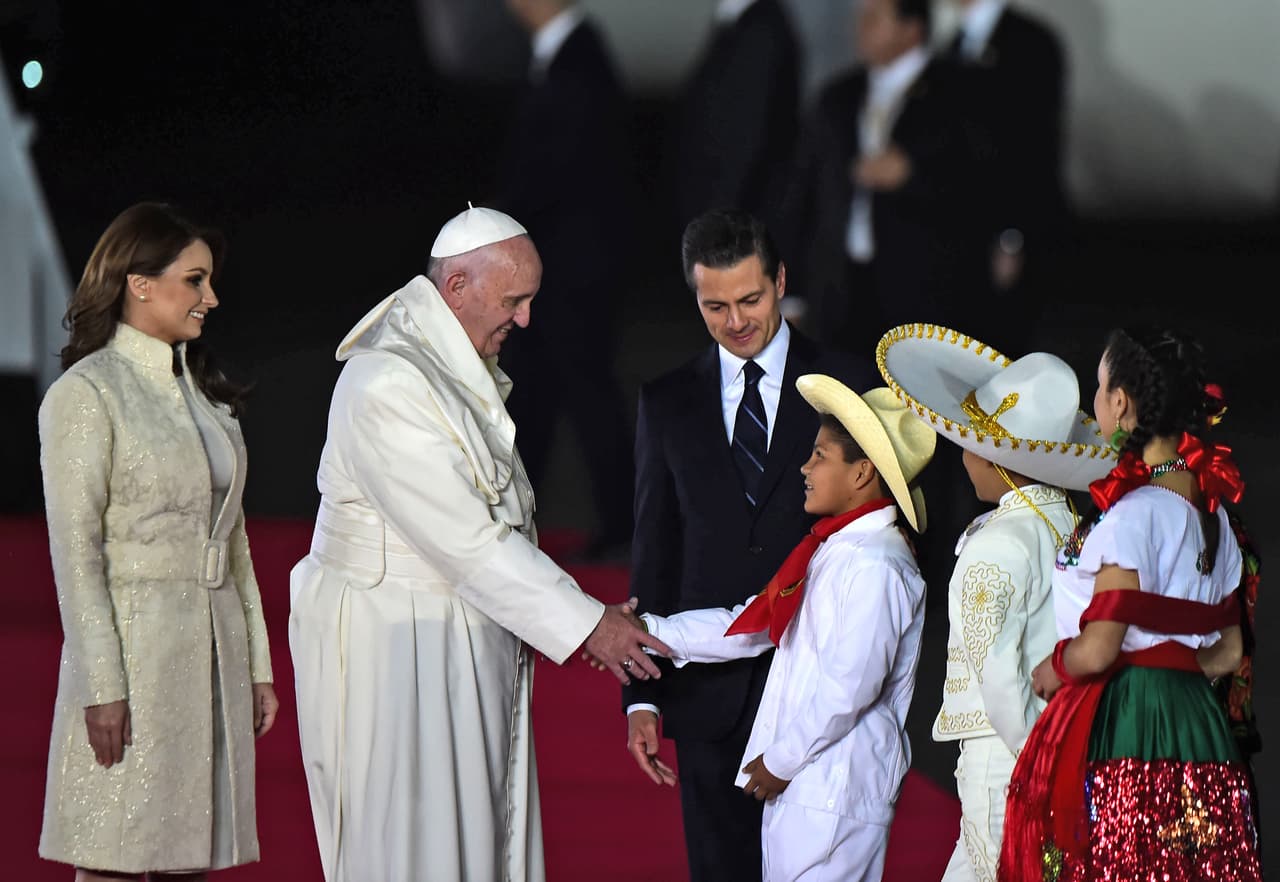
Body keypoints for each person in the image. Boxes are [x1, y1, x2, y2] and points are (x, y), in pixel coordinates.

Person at [287, 204, 671, 882]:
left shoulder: (447, 365)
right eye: (513, 300)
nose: (525, 319)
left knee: (469, 840)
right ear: (457, 287)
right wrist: (589, 624)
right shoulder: (388, 381)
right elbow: (467, 540)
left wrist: (578, 618)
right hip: (394, 649)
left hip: (450, 634)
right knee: (411, 843)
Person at [623, 207, 876, 882]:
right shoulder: (666, 403)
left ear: (780, 281)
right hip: (711, 702)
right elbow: (655, 554)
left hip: (819, 699)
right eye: (715, 306)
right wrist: (641, 699)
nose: (736, 321)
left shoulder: (848, 385)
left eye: (751, 300)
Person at [36, 201, 279, 880]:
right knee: (115, 855)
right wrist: (100, 685)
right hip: (134, 659)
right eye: (195, 280)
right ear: (139, 283)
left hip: (212, 655)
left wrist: (256, 667)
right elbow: (75, 553)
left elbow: (233, 544)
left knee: (193, 857)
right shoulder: (88, 393)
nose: (212, 297)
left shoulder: (206, 397)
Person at [633, 376, 937, 882]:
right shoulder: (835, 550)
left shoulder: (876, 564)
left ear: (862, 472)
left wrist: (780, 759)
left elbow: (852, 684)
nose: (804, 467)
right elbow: (750, 625)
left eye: (819, 456)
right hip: (812, 785)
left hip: (836, 786)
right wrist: (647, 630)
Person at [999, 327, 1263, 881]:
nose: (1095, 402)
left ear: (1120, 402)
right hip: (1199, 725)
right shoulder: (1215, 517)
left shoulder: (1134, 514)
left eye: (1099, 388)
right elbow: (1228, 651)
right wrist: (1174, 671)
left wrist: (1054, 667)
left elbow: (1099, 648)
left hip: (1125, 722)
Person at [875, 326, 1116, 881]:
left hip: (1007, 749)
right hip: (1056, 737)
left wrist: (1036, 762)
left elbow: (999, 675)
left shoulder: (998, 542)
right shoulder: (1072, 527)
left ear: (996, 460)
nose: (964, 457)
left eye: (971, 446)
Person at [493, 0, 639, 560]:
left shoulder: (579, 60)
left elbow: (559, 169)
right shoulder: (561, 57)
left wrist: (499, 223)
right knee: (537, 392)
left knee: (583, 391)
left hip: (573, 270)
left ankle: (622, 522)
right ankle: (518, 517)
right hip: (555, 266)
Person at [780, 0, 984, 360]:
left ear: (911, 29)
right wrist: (791, 293)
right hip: (840, 290)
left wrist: (912, 176)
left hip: (923, 295)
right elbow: (803, 196)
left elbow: (981, 190)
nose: (861, 27)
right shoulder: (837, 97)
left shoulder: (958, 94)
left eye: (875, 18)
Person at [941, 0, 1070, 354]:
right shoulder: (955, 44)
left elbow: (1031, 147)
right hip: (962, 237)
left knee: (1008, 352)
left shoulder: (1030, 43)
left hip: (1013, 237)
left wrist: (1012, 235)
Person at [668, 0, 801, 241]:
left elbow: (743, 141)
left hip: (730, 231)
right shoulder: (739, 24)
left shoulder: (761, 31)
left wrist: (715, 233)